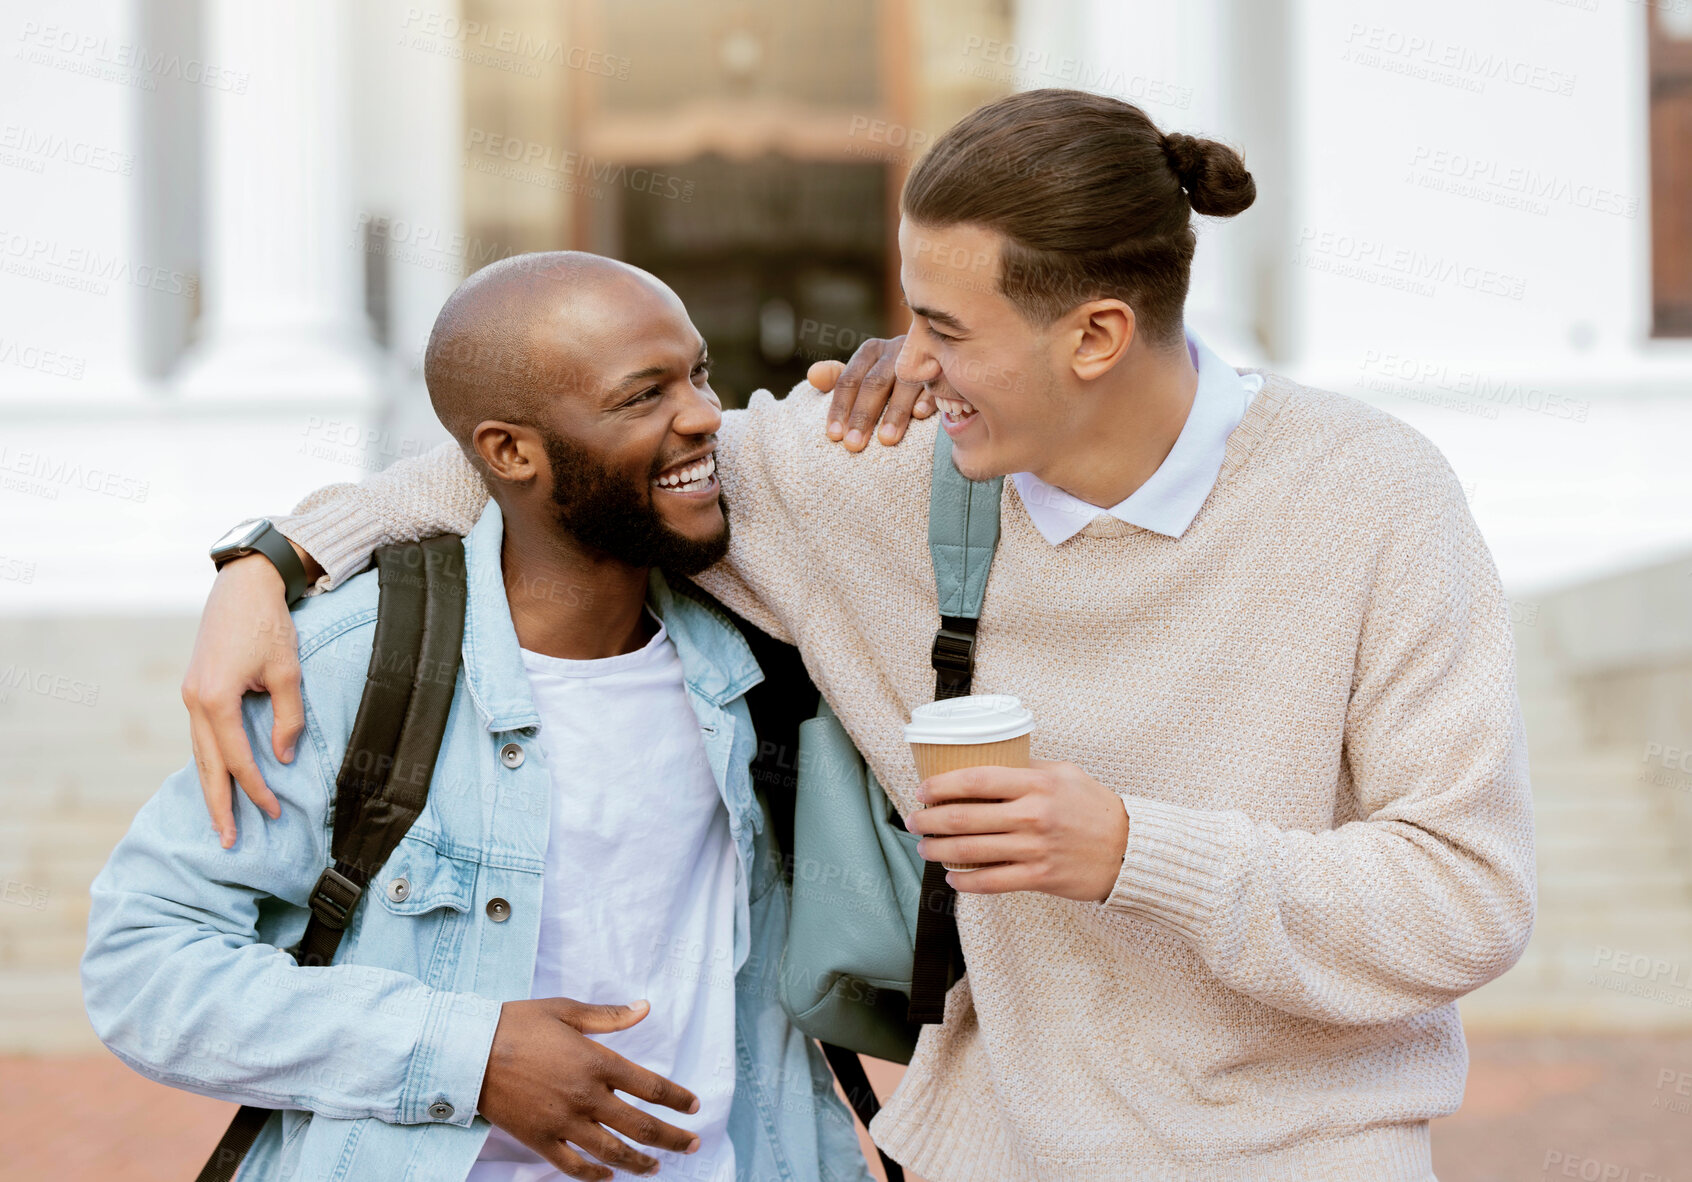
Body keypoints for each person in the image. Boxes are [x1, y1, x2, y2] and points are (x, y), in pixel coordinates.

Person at [181, 89, 1536, 1181]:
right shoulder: (880, 479)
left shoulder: (1372, 496)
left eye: (945, 326)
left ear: (1098, 335)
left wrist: (1132, 850)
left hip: (1306, 1153)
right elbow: (560, 457)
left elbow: (1464, 897)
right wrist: (276, 555)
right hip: (986, 1151)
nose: (906, 358)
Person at [83, 253, 892, 1182]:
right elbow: (143, 966)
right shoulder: (356, 664)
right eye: (643, 396)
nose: (707, 414)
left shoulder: (762, 653)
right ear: (509, 453)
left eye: (699, 373)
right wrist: (466, 1055)